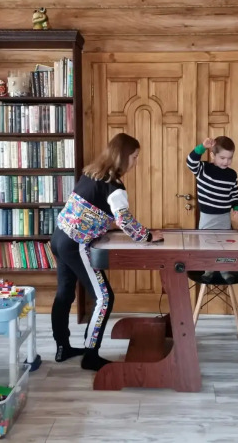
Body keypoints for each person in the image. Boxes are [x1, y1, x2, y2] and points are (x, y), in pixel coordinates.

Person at [51, 133, 163, 371]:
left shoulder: (91, 173)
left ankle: (62, 348)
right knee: (104, 298)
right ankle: (91, 356)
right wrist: (148, 236)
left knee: (64, 294)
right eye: (135, 157)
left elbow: (89, 210)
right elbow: (124, 220)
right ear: (123, 157)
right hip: (76, 244)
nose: (136, 162)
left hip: (59, 237)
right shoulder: (115, 187)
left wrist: (104, 224)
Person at [187, 136, 238, 281]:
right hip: (207, 217)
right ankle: (208, 271)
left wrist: (237, 208)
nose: (226, 162)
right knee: (207, 245)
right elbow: (190, 161)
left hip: (224, 217)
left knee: (225, 245)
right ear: (212, 155)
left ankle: (225, 271)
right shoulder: (203, 169)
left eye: (229, 158)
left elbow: (235, 193)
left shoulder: (232, 175)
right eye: (222, 158)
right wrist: (202, 147)